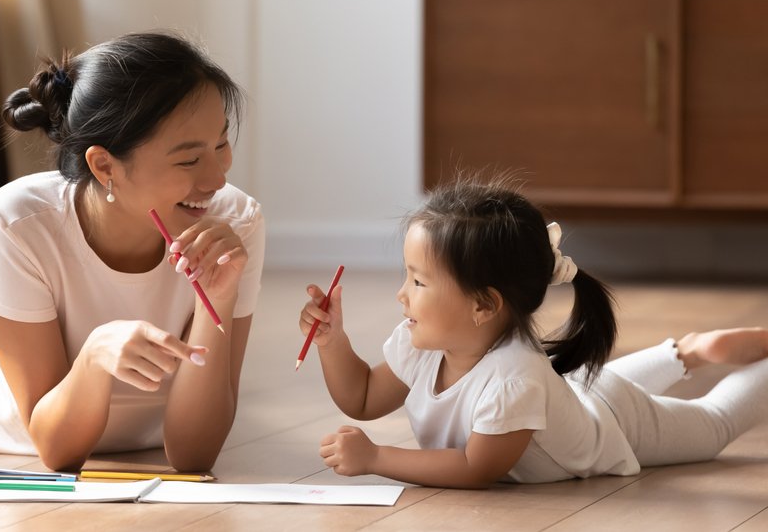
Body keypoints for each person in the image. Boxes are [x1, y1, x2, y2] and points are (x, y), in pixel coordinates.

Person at [0, 31, 265, 472]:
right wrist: (95, 355)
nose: (216, 179)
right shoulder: (16, 223)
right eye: (189, 160)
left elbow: (194, 456)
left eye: (221, 144)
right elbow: (57, 450)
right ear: (104, 166)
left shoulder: (235, 221)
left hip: (143, 428)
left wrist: (219, 298)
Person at [297, 177, 768, 487]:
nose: (402, 295)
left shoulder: (513, 378)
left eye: (418, 281)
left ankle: (695, 354)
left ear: (484, 304)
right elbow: (360, 397)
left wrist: (377, 457)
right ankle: (686, 352)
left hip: (615, 422)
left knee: (714, 423)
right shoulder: (425, 343)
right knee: (600, 389)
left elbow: (475, 467)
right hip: (578, 391)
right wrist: (332, 340)